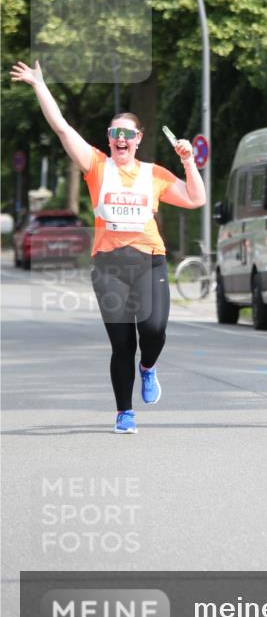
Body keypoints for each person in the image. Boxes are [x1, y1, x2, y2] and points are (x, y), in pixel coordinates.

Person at [10, 59, 206, 434]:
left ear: (139, 139)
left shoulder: (155, 174)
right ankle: (124, 413)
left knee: (154, 331)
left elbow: (196, 198)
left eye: (128, 134)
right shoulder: (97, 166)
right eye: (116, 132)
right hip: (109, 266)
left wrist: (188, 162)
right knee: (121, 344)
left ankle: (149, 368)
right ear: (109, 137)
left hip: (150, 260)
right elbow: (63, 128)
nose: (122, 139)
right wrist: (39, 84)